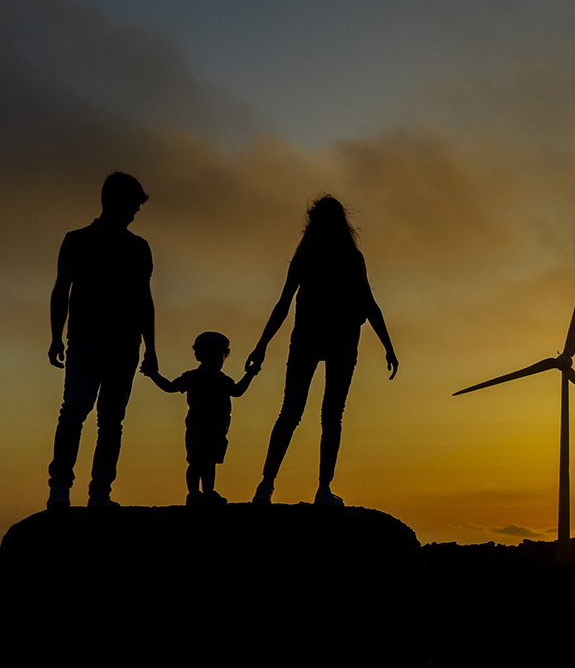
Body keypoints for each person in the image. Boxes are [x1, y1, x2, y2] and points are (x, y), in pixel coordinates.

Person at [246, 195, 397, 506]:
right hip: (325, 340)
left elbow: (366, 303)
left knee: (299, 413)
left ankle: (276, 485)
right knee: (319, 415)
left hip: (324, 340)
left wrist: (388, 345)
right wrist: (261, 346)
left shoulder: (326, 257)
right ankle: (304, 487)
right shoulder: (331, 258)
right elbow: (286, 304)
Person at [47, 172, 158, 509]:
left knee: (108, 419)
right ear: (116, 203)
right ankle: (61, 489)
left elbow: (144, 300)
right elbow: (61, 291)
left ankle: (98, 493)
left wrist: (150, 348)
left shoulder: (138, 247)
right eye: (133, 207)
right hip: (87, 339)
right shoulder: (76, 240)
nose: (134, 214)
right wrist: (56, 337)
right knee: (77, 411)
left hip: (123, 344)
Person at [143, 331, 259, 505]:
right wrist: (153, 374)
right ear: (200, 356)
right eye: (213, 355)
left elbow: (237, 391)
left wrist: (250, 374)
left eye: (221, 355)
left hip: (218, 429)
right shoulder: (193, 377)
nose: (218, 359)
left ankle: (207, 493)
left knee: (210, 461)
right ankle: (194, 494)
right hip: (198, 427)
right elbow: (170, 387)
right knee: (197, 461)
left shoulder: (222, 379)